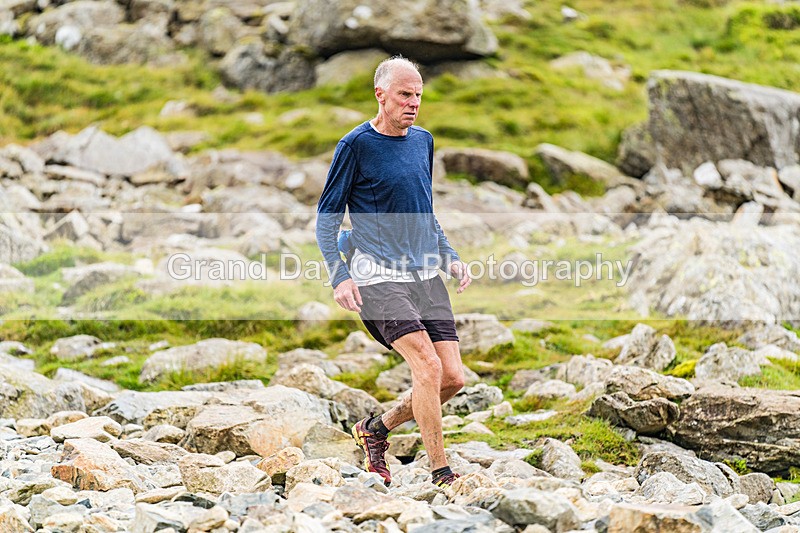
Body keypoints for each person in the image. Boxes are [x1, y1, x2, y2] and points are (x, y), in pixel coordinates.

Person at [315, 56, 472, 489]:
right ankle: (441, 471)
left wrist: (449, 254)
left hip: (424, 275)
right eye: (405, 94)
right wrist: (339, 275)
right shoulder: (354, 146)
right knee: (427, 368)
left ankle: (377, 429)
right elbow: (327, 219)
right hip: (376, 277)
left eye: (419, 94)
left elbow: (426, 210)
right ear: (380, 95)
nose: (414, 102)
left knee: (453, 377)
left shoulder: (423, 141)